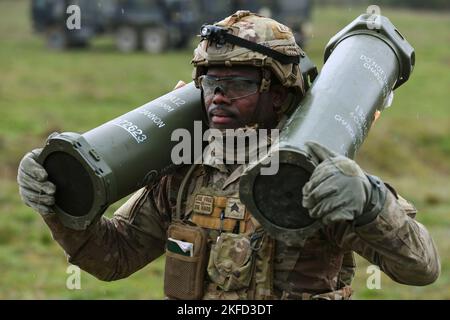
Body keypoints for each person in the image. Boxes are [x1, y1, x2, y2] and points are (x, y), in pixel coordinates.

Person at [17, 11, 440, 300]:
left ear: (277, 94)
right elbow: (113, 257)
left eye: (236, 83)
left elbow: (420, 267)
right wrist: (57, 202)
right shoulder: (185, 172)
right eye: (209, 82)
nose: (217, 95)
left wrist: (370, 201)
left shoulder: (312, 173)